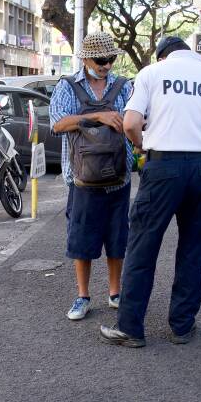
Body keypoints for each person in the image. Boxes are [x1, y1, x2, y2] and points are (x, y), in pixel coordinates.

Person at [99, 36, 201, 348]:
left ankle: (130, 328)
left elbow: (130, 124)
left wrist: (142, 144)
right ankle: (182, 326)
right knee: (193, 249)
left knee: (143, 246)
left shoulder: (152, 74)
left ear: (163, 55)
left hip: (163, 167)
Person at [49, 32, 134, 321]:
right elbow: (58, 124)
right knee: (81, 238)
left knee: (117, 236)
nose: (106, 65)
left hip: (118, 176)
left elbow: (137, 120)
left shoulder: (124, 86)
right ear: (84, 58)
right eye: (101, 60)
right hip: (81, 177)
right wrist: (97, 117)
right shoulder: (68, 87)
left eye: (111, 59)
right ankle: (82, 296)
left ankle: (115, 292)